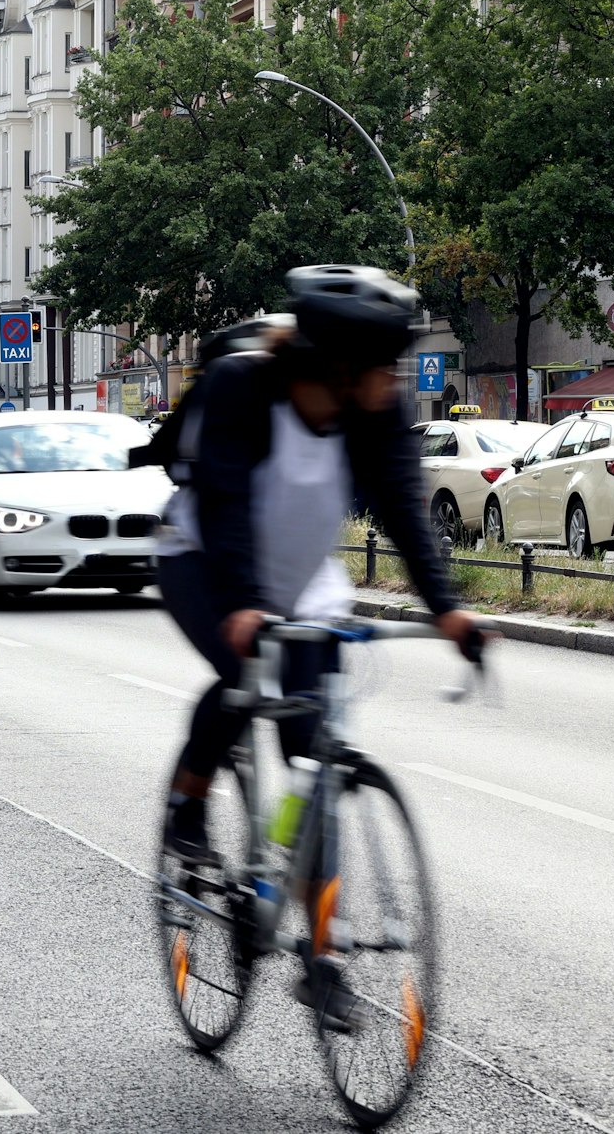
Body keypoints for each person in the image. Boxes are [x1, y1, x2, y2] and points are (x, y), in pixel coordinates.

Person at [150, 265, 480, 1014]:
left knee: (314, 755)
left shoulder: (375, 409)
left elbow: (402, 509)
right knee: (244, 672)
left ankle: (321, 954)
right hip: (204, 560)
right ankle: (188, 806)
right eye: (383, 363)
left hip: (301, 581)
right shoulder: (244, 387)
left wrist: (449, 609)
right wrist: (241, 605)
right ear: (338, 362)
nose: (393, 378)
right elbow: (226, 503)